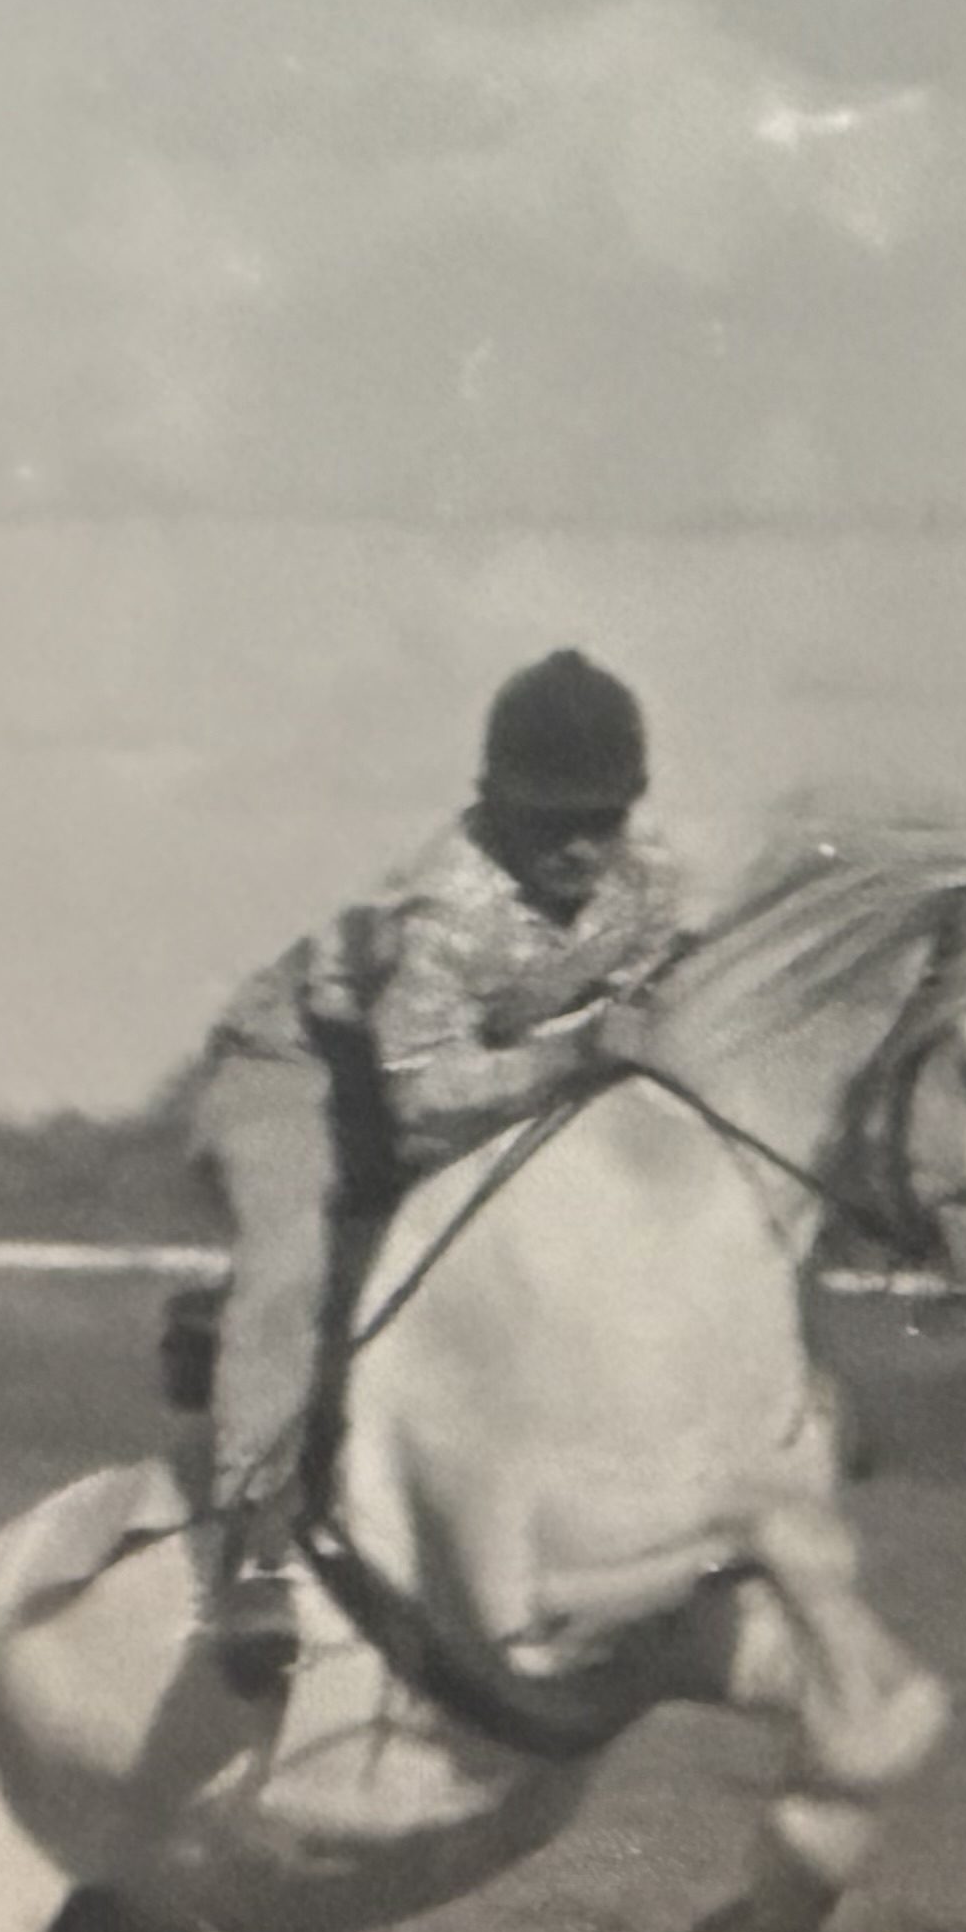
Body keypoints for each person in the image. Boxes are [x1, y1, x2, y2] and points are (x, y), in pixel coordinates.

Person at [184, 648, 692, 1685]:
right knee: (295, 1263)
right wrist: (578, 1052)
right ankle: (251, 1547)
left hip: (466, 1071)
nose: (578, 847)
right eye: (548, 821)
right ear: (493, 806)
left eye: (600, 817)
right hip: (300, 1067)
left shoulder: (654, 882)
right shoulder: (440, 905)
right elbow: (421, 1109)